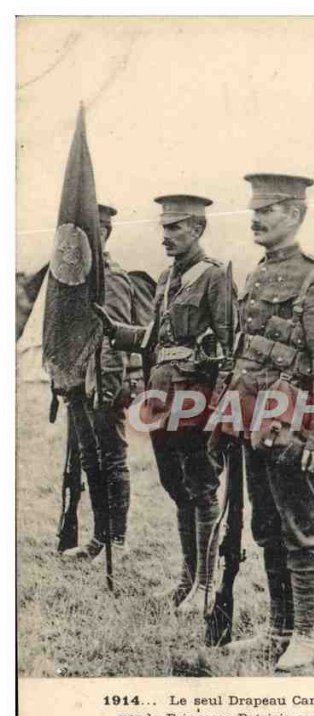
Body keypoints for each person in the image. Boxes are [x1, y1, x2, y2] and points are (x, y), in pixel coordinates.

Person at [224, 173, 314, 672]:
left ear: (296, 215)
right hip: (256, 422)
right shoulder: (257, 274)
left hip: (294, 427)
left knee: (299, 528)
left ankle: (304, 635)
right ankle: (276, 631)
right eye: (254, 208)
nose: (255, 217)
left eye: (269, 209)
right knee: (266, 527)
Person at [95, 195, 233, 614]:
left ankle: (207, 586)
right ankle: (187, 581)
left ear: (198, 229)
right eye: (164, 227)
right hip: (162, 398)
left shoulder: (215, 277)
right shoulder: (165, 278)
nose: (166, 236)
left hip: (196, 399)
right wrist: (114, 329)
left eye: (175, 227)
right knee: (177, 488)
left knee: (203, 487)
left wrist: (221, 410)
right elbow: (155, 338)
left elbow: (230, 347)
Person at [62, 204, 137, 560]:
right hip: (77, 382)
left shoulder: (112, 276)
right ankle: (98, 539)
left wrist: (106, 390)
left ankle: (116, 543)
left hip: (103, 384)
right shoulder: (72, 276)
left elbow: (116, 337)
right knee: (91, 461)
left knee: (112, 460)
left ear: (104, 233)